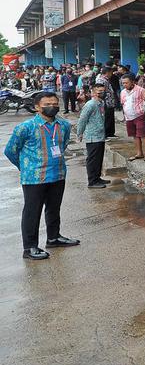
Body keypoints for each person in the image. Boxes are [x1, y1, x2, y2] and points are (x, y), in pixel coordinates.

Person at [5, 92, 80, 260]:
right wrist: (25, 167)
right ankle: (30, 247)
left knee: (54, 208)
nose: (52, 106)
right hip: (34, 177)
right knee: (32, 212)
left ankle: (54, 238)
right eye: (47, 104)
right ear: (37, 107)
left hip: (58, 173)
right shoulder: (26, 127)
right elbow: (11, 150)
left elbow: (64, 144)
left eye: (55, 103)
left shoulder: (64, 125)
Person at [76, 82, 110, 188]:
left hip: (100, 135)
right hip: (92, 136)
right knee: (93, 159)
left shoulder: (101, 103)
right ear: (93, 92)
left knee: (99, 158)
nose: (102, 93)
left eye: (103, 91)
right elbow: (82, 119)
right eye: (99, 92)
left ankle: (97, 178)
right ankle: (92, 181)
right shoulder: (90, 104)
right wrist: (79, 133)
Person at [120, 73, 145, 160]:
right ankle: (139, 153)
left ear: (132, 82)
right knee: (134, 135)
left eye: (126, 83)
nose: (124, 85)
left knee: (143, 135)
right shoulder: (122, 92)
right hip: (129, 117)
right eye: (123, 83)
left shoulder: (140, 90)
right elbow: (123, 103)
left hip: (140, 115)